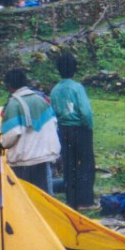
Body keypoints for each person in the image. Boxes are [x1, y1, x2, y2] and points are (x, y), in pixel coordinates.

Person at [0, 68, 61, 193]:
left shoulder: (13, 104)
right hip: (44, 157)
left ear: (9, 86)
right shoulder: (41, 99)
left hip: (23, 161)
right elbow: (54, 123)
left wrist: (2, 144)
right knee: (43, 196)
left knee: (23, 196)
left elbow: (11, 135)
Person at [49, 53, 95, 210]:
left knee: (69, 164)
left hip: (63, 129)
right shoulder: (77, 88)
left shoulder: (55, 90)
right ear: (75, 69)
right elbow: (86, 111)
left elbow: (53, 112)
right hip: (80, 128)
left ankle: (71, 200)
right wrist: (88, 126)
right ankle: (85, 201)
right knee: (86, 163)